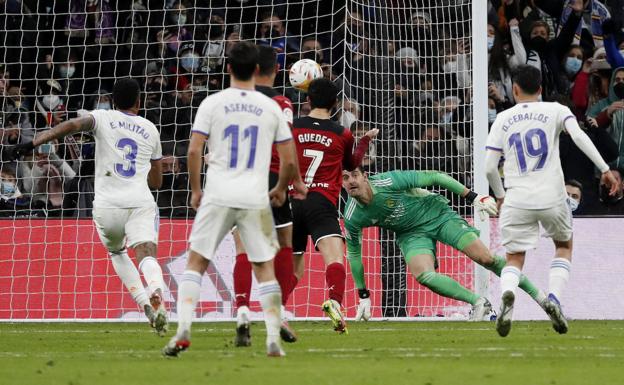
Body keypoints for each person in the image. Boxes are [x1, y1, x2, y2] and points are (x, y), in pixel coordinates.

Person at [162, 42, 305, 358]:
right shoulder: (272, 107)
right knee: (264, 267)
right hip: (254, 196)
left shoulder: (212, 103)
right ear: (257, 70)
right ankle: (271, 339)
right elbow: (289, 158)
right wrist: (282, 187)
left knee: (196, 262)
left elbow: (194, 150)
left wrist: (196, 190)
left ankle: (183, 331)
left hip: (218, 193)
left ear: (228, 68)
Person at [11, 78, 168, 334]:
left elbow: (72, 125)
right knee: (146, 254)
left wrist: (32, 143)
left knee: (117, 253)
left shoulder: (102, 118)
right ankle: (156, 292)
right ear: (139, 102)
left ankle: (144, 305)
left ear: (113, 101)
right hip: (139, 202)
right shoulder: (150, 129)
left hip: (107, 205)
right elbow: (158, 182)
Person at [485, 65, 618, 337]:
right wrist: (605, 169)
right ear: (541, 90)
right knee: (563, 245)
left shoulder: (502, 118)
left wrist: (500, 196)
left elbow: (489, 167)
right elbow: (579, 136)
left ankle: (508, 294)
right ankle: (554, 299)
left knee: (514, 256)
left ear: (515, 89)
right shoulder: (556, 110)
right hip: (552, 195)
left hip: (517, 197)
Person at [342, 167, 550, 321]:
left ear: (365, 176)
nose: (351, 181)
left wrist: (473, 197)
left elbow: (434, 176)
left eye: (355, 175)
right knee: (425, 276)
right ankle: (479, 302)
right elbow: (354, 254)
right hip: (410, 233)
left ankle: (542, 299)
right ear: (341, 183)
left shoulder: (388, 181)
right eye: (345, 178)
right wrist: (363, 295)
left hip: (438, 215)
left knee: (485, 258)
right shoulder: (352, 216)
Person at [290, 78, 377, 334]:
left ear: (307, 101)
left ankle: (276, 309)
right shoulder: (342, 133)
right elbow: (352, 164)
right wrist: (365, 140)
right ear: (336, 104)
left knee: (293, 267)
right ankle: (335, 302)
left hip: (292, 200)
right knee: (335, 257)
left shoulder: (291, 127)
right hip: (321, 201)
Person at [231, 45, 302, 347]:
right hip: (273, 177)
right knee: (285, 243)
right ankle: (279, 310)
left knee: (243, 248)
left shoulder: (233, 100)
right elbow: (287, 147)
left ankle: (242, 310)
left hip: (240, 178)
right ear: (275, 70)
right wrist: (290, 183)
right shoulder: (282, 101)